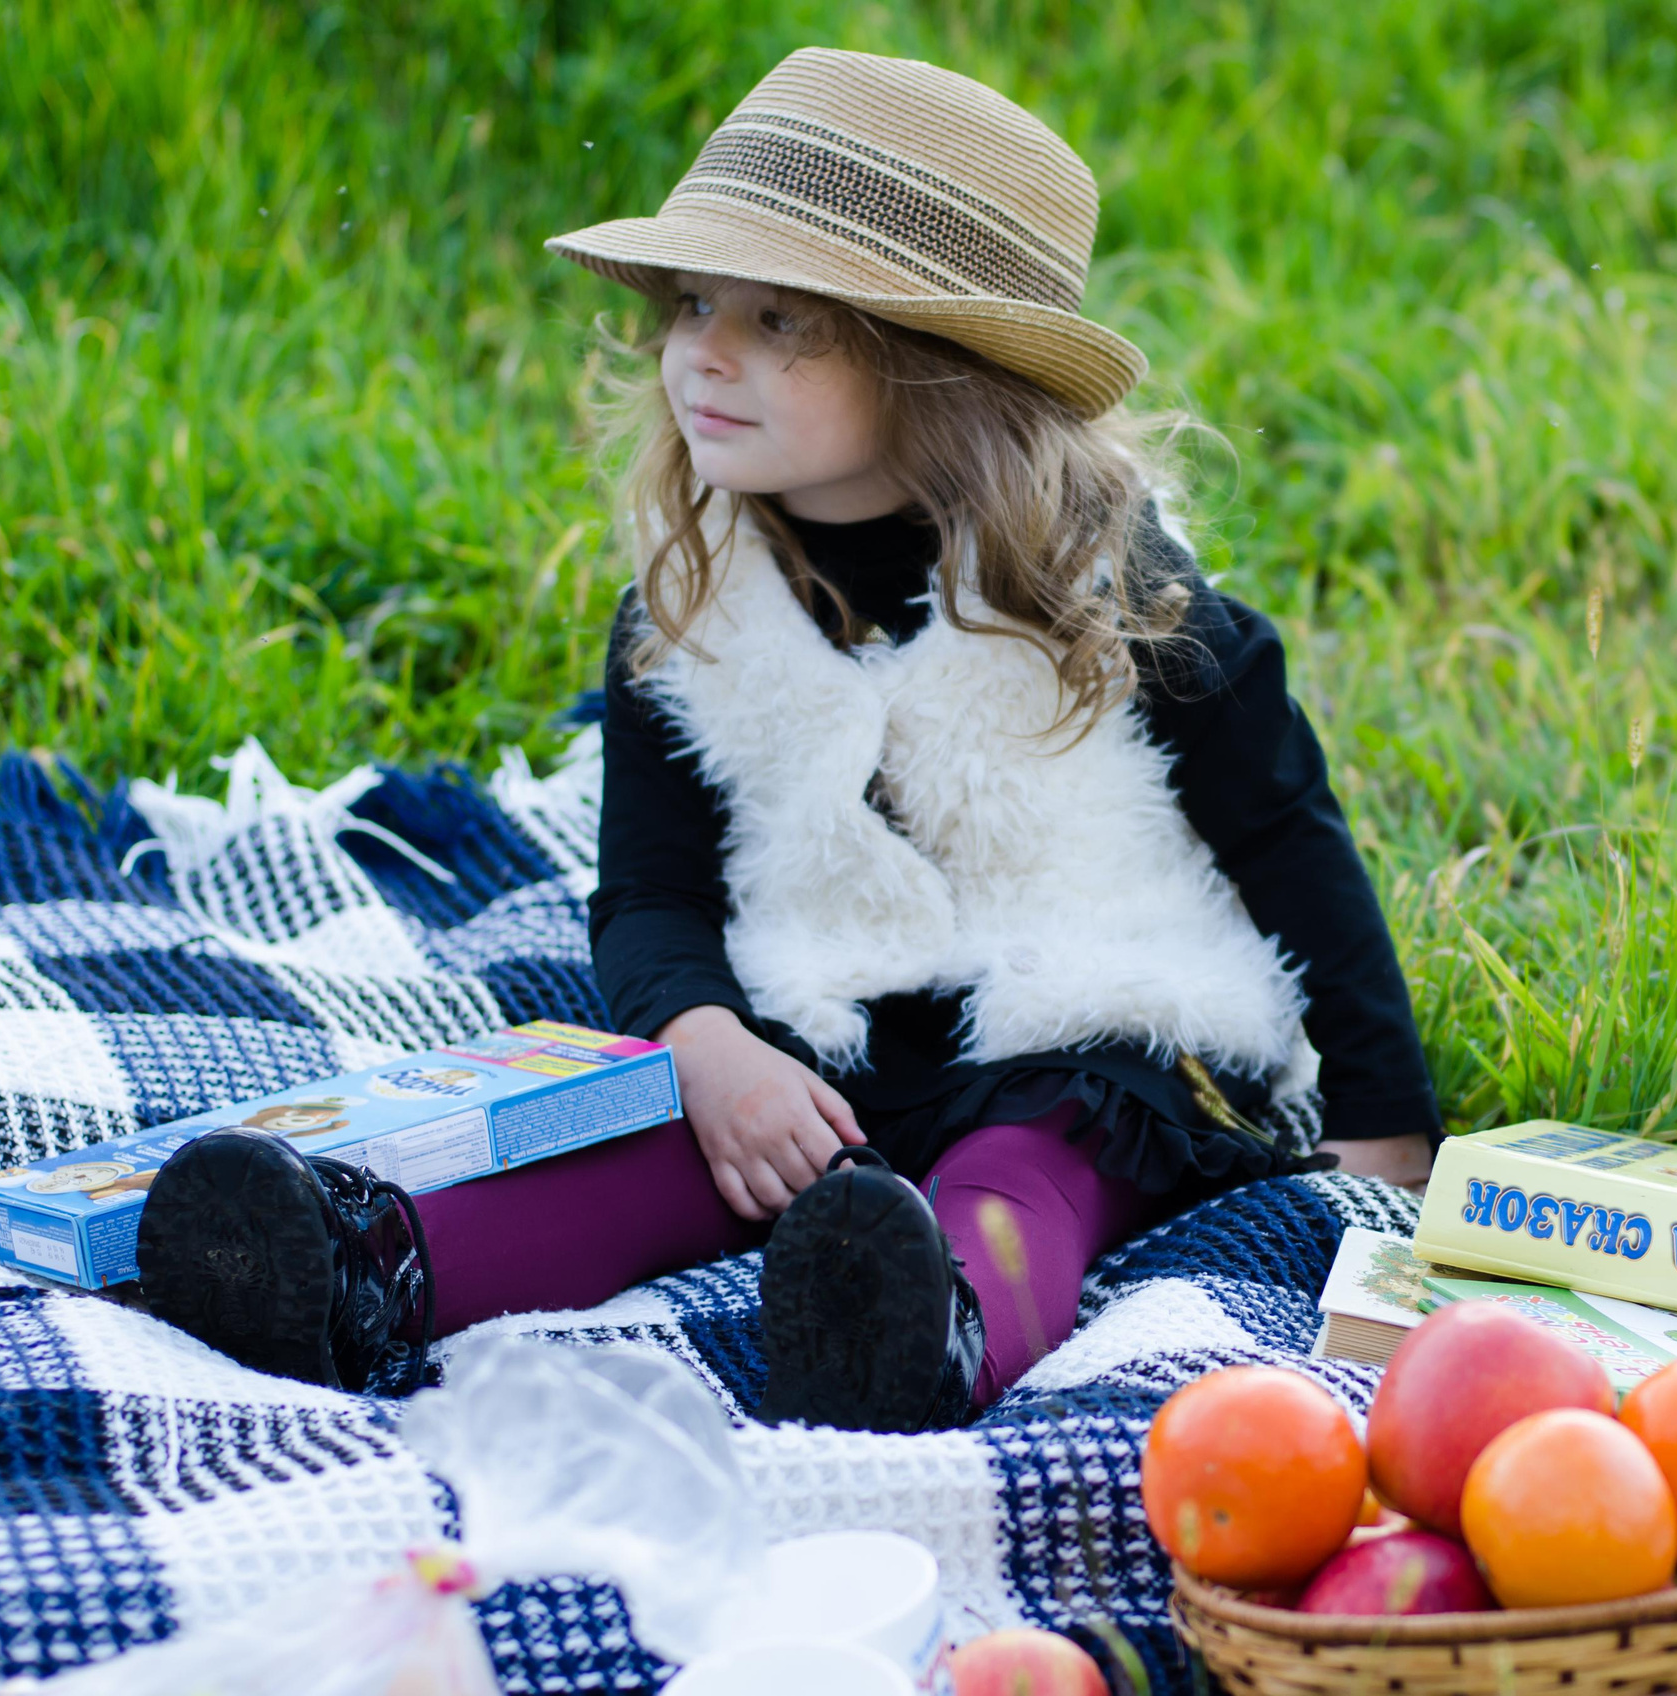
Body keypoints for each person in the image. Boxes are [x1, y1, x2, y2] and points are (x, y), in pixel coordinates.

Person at [136, 49, 1437, 1427]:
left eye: (781, 321)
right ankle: (363, 1270)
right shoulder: (694, 614)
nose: (704, 349)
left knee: (1031, 1164)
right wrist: (708, 1043)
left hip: (1093, 1021)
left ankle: (931, 1317)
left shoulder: (1117, 596)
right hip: (823, 1013)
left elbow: (1294, 846)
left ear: (938, 369)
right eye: (695, 302)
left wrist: (1387, 1124)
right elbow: (651, 893)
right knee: (667, 1149)